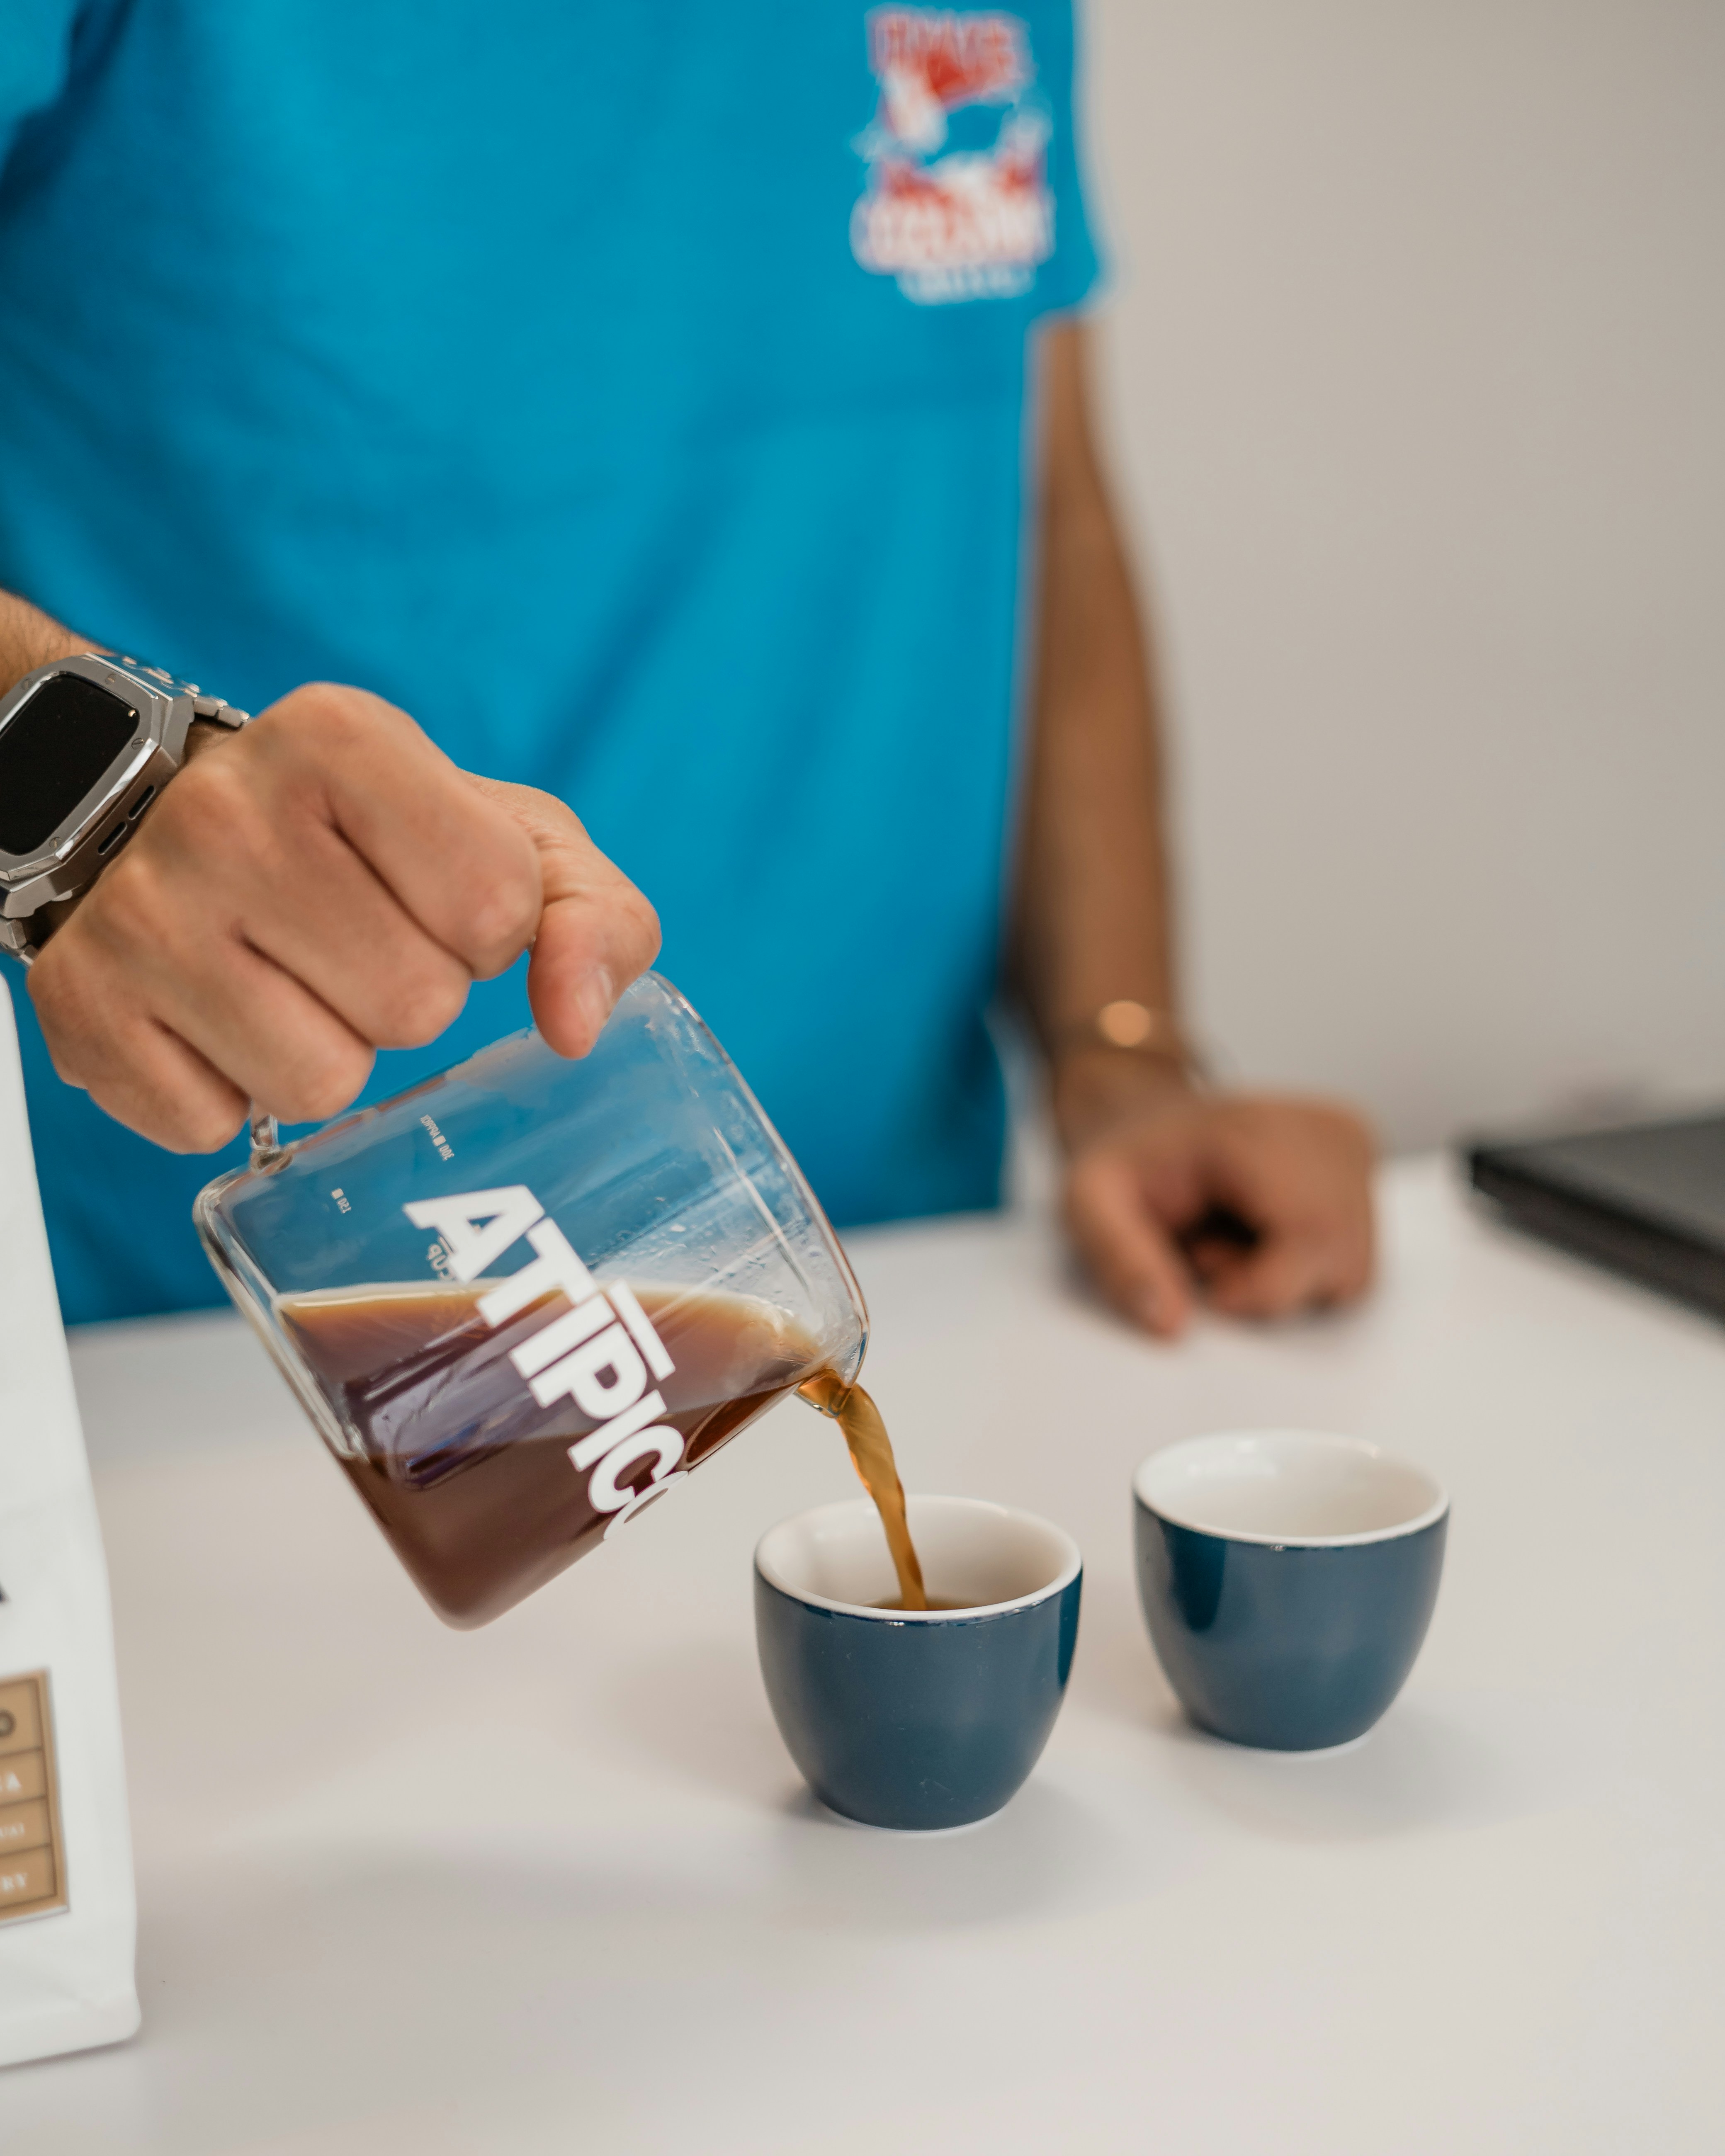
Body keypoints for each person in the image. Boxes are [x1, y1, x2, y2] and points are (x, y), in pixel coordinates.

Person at [0, 3, 1372, 1337]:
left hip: (894, 1287)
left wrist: (1117, 1052)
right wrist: (74, 789)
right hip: (197, 1353)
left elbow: (1036, 498)